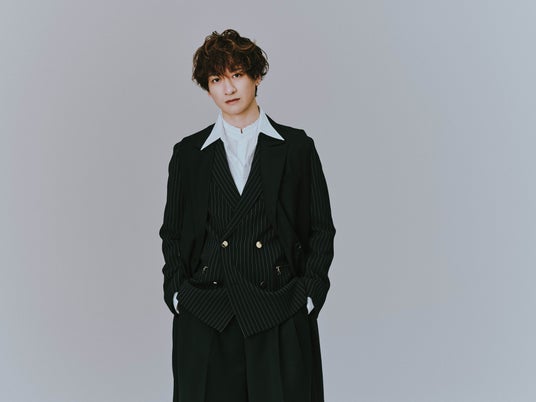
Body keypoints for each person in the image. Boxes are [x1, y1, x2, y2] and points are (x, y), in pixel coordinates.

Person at [159, 29, 335, 402]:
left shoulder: (297, 148)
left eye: (237, 74)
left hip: (279, 309)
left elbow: (321, 229)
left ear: (256, 77)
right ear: (208, 89)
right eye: (216, 79)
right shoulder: (188, 154)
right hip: (206, 313)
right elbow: (172, 233)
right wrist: (177, 294)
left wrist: (309, 295)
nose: (228, 88)